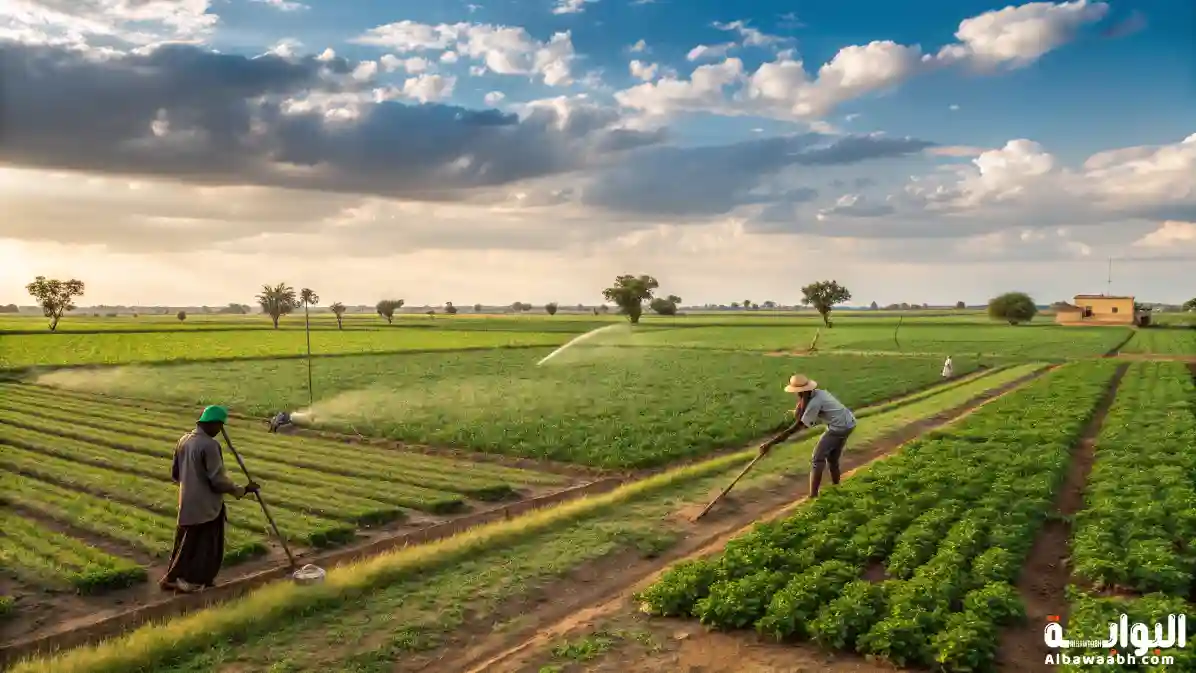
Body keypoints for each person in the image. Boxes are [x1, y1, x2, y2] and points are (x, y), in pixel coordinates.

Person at [160, 405, 259, 593]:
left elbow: (176, 474)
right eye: (219, 426)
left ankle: (177, 577)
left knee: (186, 542)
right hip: (206, 506)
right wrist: (243, 489)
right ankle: (191, 581)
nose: (219, 431)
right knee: (206, 547)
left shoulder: (184, 440)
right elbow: (218, 481)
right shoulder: (210, 445)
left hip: (187, 502)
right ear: (212, 424)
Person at [758, 374, 857, 498]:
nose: (797, 395)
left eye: (798, 393)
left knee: (817, 459)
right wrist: (801, 405)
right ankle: (837, 487)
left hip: (839, 427)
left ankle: (813, 496)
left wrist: (770, 443)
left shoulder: (814, 402)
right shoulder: (819, 393)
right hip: (849, 423)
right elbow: (802, 414)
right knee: (832, 458)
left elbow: (797, 427)